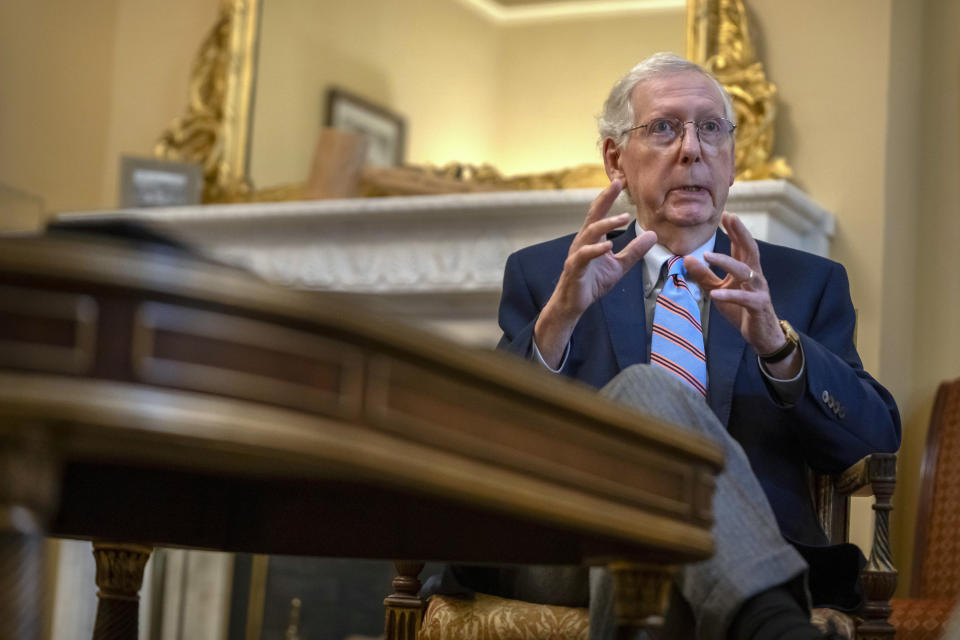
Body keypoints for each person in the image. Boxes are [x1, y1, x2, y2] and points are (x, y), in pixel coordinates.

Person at [426, 53, 901, 640]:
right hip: (569, 550)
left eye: (710, 129)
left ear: (730, 161)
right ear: (614, 158)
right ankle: (773, 625)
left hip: (751, 551)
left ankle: (759, 611)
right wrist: (560, 319)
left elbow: (876, 439)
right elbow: (483, 440)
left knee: (657, 568)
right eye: (664, 128)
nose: (692, 149)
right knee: (649, 391)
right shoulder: (548, 274)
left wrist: (780, 348)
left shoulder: (803, 284)